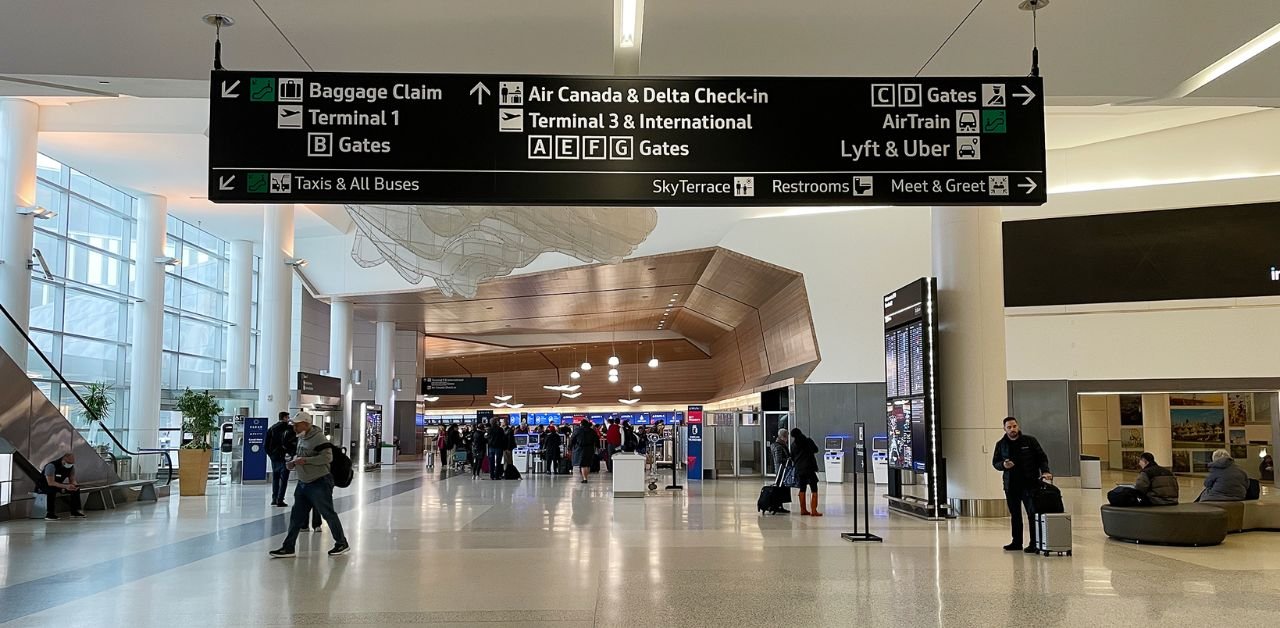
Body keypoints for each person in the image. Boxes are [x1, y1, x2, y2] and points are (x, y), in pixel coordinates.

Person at [269, 418, 350, 558]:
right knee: (296, 516)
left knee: (328, 513)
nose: (294, 428)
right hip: (303, 483)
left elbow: (327, 458)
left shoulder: (318, 437)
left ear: (306, 424)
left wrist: (305, 461)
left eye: (297, 425)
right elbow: (301, 454)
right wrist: (293, 462)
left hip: (319, 482)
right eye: (293, 425)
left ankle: (341, 543)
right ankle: (288, 547)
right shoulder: (301, 437)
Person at [992, 417, 1051, 553]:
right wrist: (1003, 465)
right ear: (1004, 429)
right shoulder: (1001, 444)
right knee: (1015, 514)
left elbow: (1042, 457)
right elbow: (995, 462)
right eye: (1009, 427)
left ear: (1018, 426)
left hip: (1029, 483)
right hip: (1011, 485)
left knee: (1032, 513)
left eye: (1014, 426)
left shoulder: (1030, 441)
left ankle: (1034, 543)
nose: (1012, 429)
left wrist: (1045, 471)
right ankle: (1016, 542)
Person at [265, 411, 297, 507]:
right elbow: (293, 443)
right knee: (284, 479)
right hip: (285, 456)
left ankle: (274, 498)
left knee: (276, 477)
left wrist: (271, 454)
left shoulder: (271, 428)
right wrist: (292, 453)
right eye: (288, 417)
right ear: (285, 418)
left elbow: (266, 445)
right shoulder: (290, 429)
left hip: (274, 456)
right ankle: (280, 499)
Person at [41, 453, 85, 520]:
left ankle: (75, 512)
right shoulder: (51, 466)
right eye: (69, 463)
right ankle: (50, 514)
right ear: (63, 460)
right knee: (51, 490)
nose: (70, 465)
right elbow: (50, 482)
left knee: (75, 490)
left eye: (72, 463)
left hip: (58, 485)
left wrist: (74, 486)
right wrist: (65, 486)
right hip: (44, 485)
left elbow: (72, 480)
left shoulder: (71, 467)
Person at [789, 428, 822, 516]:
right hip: (810, 468)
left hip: (799, 469)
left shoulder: (793, 445)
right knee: (814, 488)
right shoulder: (808, 441)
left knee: (802, 488)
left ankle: (803, 509)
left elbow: (792, 457)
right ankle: (814, 510)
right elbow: (816, 450)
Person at [569, 419, 600, 484]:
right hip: (590, 448)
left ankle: (585, 478)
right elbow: (597, 439)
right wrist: (598, 447)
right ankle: (586, 476)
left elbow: (572, 439)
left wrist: (570, 447)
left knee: (583, 464)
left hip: (580, 449)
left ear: (581, 424)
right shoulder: (592, 431)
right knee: (588, 464)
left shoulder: (577, 430)